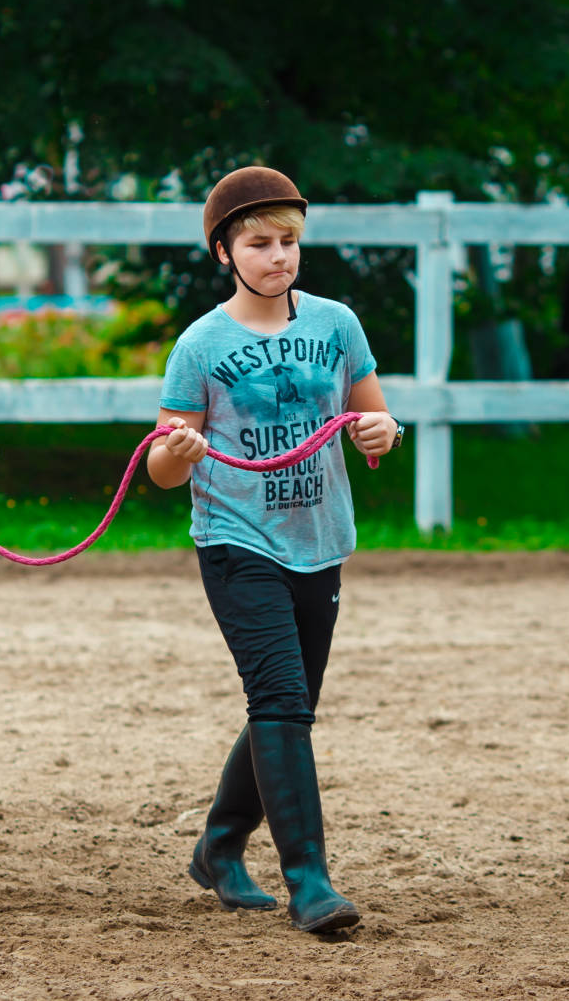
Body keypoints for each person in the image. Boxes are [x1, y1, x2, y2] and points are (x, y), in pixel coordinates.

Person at [147, 166, 403, 934]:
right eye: (259, 243)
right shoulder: (200, 344)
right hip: (237, 541)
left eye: (289, 240)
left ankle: (219, 847)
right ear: (225, 251)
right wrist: (181, 450)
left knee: (286, 708)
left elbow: (376, 423)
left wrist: (384, 434)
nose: (278, 256)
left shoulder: (337, 326)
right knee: (282, 698)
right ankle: (310, 882)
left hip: (319, 542)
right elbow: (160, 468)